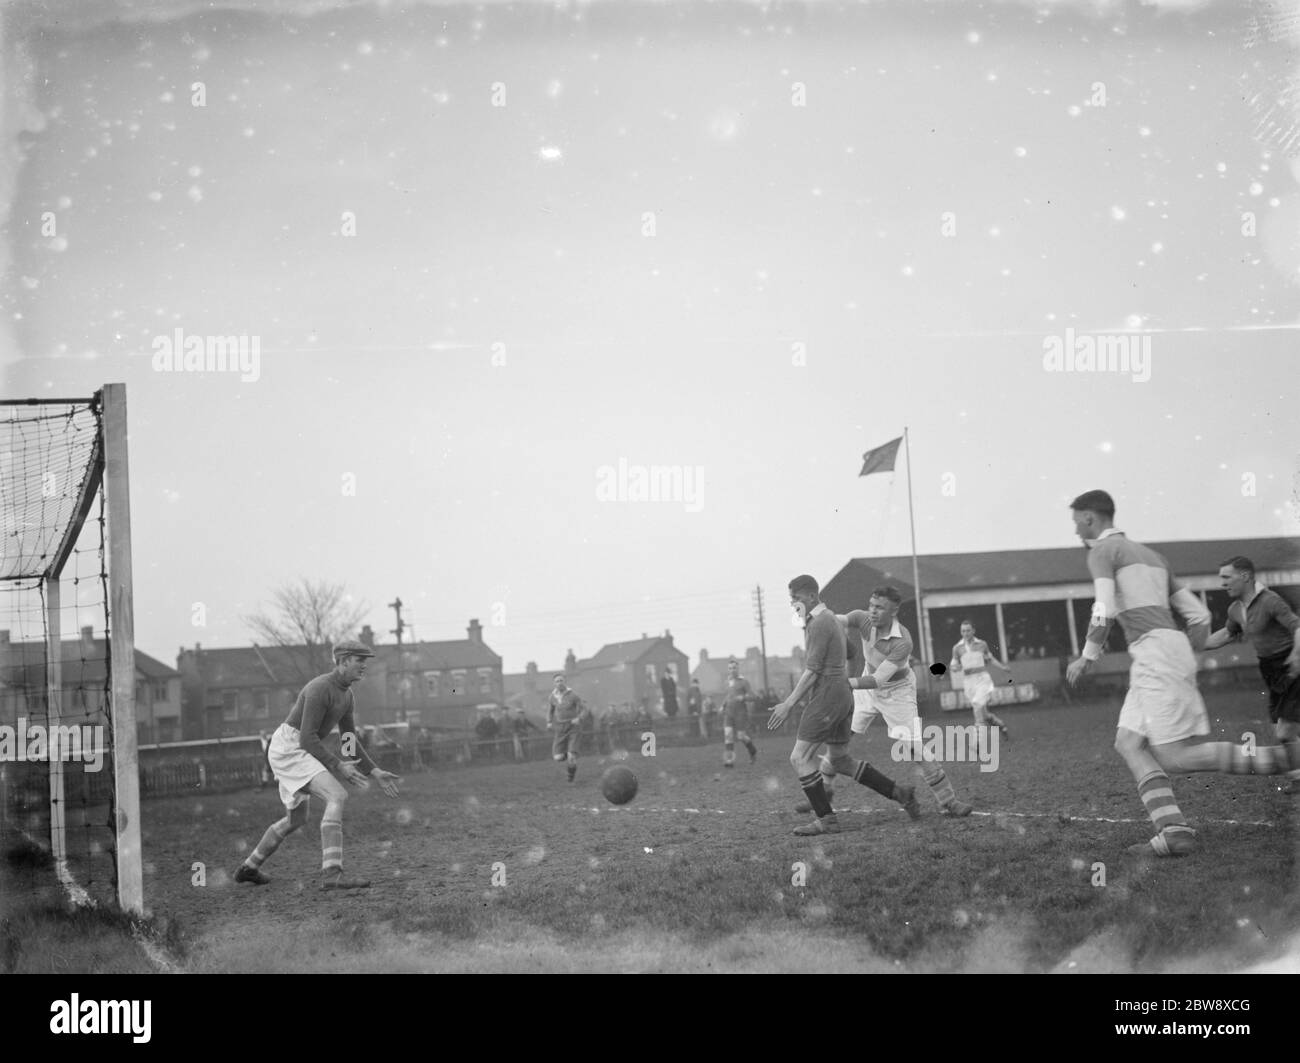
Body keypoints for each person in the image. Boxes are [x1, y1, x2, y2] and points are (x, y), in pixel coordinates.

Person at [1064, 490, 1300, 858]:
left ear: (1090, 519)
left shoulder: (1101, 552)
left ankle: (1288, 759)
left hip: (1154, 652)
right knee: (1129, 743)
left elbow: (1103, 607)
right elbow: (1200, 616)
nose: (1075, 530)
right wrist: (1181, 653)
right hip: (1162, 651)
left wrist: (1087, 656)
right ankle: (1173, 831)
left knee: (1173, 757)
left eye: (1076, 521)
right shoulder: (1154, 556)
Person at [234, 640, 400, 890]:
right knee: (337, 795)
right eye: (359, 660)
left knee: (296, 819)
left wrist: (374, 771)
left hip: (298, 747)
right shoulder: (320, 688)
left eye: (365, 660)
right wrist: (338, 766)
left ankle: (249, 868)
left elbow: (348, 741)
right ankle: (332, 873)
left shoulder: (347, 695)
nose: (364, 666)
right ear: (343, 662)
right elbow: (306, 738)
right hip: (289, 747)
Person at [802, 586, 972, 818]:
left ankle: (948, 802)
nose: (872, 611)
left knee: (915, 748)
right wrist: (817, 616)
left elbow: (879, 679)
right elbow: (835, 621)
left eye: (880, 608)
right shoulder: (862, 618)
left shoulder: (902, 641)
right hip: (865, 689)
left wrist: (843, 683)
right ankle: (825, 792)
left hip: (896, 692)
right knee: (839, 738)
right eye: (871, 605)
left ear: (894, 610)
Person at [768, 574, 919, 836]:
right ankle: (900, 793)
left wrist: (789, 703)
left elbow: (813, 670)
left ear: (812, 596)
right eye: (790, 599)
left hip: (828, 696)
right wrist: (842, 682)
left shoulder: (818, 624)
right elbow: (850, 653)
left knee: (799, 757)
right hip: (843, 694)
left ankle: (826, 820)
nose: (793, 603)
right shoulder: (833, 620)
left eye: (796, 598)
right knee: (839, 760)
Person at [1203, 555, 1300, 790]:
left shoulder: (1271, 601)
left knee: (1286, 728)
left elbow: (1297, 627)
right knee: (1282, 728)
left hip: (1291, 666)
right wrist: (1188, 643)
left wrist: (1297, 656)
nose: (1222, 583)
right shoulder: (1235, 609)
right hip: (1270, 670)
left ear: (1245, 576)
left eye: (1227, 577)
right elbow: (1226, 635)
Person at [950, 620, 1013, 743]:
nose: (966, 633)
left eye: (968, 630)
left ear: (973, 631)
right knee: (983, 713)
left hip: (982, 679)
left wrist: (1003, 667)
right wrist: (955, 667)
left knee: (977, 706)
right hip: (969, 682)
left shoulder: (982, 644)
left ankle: (978, 740)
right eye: (963, 631)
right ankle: (1001, 725)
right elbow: (953, 664)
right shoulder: (957, 648)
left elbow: (990, 659)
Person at [719, 659, 758, 767]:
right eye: (730, 668)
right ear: (728, 670)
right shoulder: (726, 682)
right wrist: (722, 705)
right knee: (728, 735)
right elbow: (728, 696)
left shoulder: (744, 682)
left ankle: (752, 750)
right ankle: (729, 761)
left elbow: (754, 696)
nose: (732, 670)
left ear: (738, 668)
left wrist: (743, 697)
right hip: (729, 713)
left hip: (740, 713)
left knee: (741, 736)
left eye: (734, 668)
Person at [548, 674, 586, 783]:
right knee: (558, 757)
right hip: (560, 728)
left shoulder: (573, 695)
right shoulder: (552, 697)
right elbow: (550, 711)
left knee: (571, 756)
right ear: (554, 683)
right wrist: (549, 721)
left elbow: (584, 709)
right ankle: (569, 754)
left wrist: (579, 718)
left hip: (573, 727)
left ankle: (571, 773)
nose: (559, 683)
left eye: (561, 680)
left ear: (565, 682)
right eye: (557, 681)